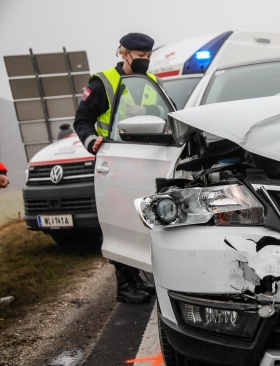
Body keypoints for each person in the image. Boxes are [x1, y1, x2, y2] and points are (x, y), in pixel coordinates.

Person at [73, 32, 160, 304]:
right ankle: (125, 285)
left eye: (148, 56)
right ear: (124, 54)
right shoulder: (103, 82)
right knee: (121, 222)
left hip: (147, 161)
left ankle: (137, 280)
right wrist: (91, 141)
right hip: (116, 161)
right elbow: (82, 120)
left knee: (142, 220)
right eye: (140, 56)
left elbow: (167, 114)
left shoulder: (153, 81)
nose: (145, 61)